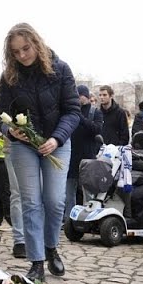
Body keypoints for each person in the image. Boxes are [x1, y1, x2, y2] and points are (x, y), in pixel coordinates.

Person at [0, 23, 81, 281]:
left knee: (55, 201)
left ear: (37, 43)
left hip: (57, 143)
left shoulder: (61, 69)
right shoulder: (10, 77)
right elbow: (2, 115)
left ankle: (51, 247)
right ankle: (36, 263)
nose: (22, 55)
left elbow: (73, 111)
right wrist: (10, 131)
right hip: (24, 145)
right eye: (16, 52)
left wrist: (56, 139)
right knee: (31, 202)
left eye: (26, 48)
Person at [0, 74, 26, 258]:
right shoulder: (4, 78)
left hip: (44, 145)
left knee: (47, 199)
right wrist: (2, 131)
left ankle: (43, 240)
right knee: (17, 193)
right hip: (13, 145)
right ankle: (20, 240)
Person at [65, 85, 103, 219]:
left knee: (88, 191)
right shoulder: (70, 111)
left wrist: (80, 118)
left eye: (79, 95)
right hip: (71, 156)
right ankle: (69, 218)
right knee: (69, 190)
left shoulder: (94, 112)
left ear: (85, 96)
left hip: (88, 157)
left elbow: (96, 129)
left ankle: (89, 216)